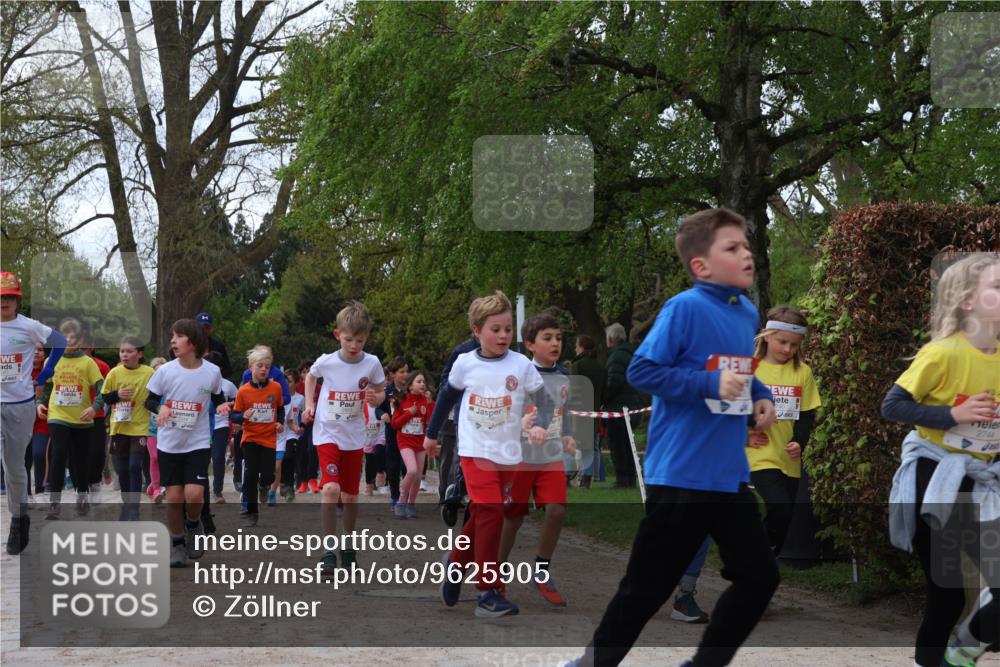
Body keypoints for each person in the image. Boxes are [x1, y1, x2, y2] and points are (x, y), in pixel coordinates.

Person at [566, 208, 778, 667]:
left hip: (728, 476)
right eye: (733, 247)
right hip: (681, 475)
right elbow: (643, 370)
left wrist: (760, 395)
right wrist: (708, 384)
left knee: (760, 578)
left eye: (746, 245)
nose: (747, 253)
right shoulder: (684, 308)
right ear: (701, 265)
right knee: (647, 588)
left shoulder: (745, 312)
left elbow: (737, 371)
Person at [882, 252, 999, 667]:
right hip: (935, 478)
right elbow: (892, 406)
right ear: (967, 301)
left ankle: (960, 654)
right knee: (946, 595)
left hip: (982, 480)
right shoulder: (943, 353)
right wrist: (953, 414)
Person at [425, 290, 553, 619]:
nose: (503, 335)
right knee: (492, 509)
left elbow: (545, 401)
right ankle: (487, 592)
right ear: (476, 331)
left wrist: (539, 424)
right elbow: (445, 397)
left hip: (507, 454)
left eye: (508, 329)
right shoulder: (465, 363)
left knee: (484, 514)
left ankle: (456, 564)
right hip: (474, 451)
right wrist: (431, 433)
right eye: (495, 329)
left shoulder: (521, 365)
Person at [498, 313, 576, 607]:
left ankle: (541, 571)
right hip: (521, 456)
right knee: (513, 516)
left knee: (556, 511)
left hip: (551, 456)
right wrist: (523, 428)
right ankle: (496, 573)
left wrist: (567, 435)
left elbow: (562, 411)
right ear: (530, 344)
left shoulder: (565, 376)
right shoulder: (519, 373)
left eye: (559, 338)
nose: (555, 343)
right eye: (548, 338)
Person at [302, 301, 385, 573]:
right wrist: (309, 404)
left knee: (350, 496)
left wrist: (376, 398)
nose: (353, 346)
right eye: (348, 340)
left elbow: (381, 391)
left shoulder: (372, 363)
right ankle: (328, 551)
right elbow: (310, 377)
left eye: (360, 341)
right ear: (338, 335)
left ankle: (348, 547)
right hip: (327, 432)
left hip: (354, 436)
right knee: (330, 489)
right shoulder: (327, 362)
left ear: (366, 338)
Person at [144, 319, 229, 568]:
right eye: (172, 336)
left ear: (193, 342)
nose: (173, 341)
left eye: (178, 336)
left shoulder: (211, 372)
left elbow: (218, 397)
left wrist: (222, 405)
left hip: (197, 441)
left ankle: (193, 524)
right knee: (174, 498)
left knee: (194, 493)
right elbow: (150, 400)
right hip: (169, 443)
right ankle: (178, 543)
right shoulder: (165, 371)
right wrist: (160, 409)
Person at [747, 306, 822, 555]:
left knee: (785, 515)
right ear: (767, 336)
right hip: (757, 454)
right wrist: (745, 432)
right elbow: (731, 407)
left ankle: (757, 556)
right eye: (782, 342)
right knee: (779, 507)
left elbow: (806, 414)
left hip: (788, 458)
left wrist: (799, 442)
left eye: (794, 344)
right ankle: (751, 555)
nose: (788, 349)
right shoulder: (750, 368)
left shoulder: (803, 373)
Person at [1, 271, 65, 554]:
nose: (4, 302)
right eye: (0, 297)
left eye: (9, 297)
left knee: (14, 466)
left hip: (20, 404)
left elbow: (60, 342)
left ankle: (19, 518)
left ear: (18, 301)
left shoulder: (28, 327)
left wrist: (46, 373)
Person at [37, 318, 103, 520]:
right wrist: (40, 402)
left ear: (81, 340)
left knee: (80, 460)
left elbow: (102, 390)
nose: (68, 340)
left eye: (73, 337)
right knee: (59, 453)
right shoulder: (52, 359)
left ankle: (82, 496)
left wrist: (94, 408)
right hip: (57, 415)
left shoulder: (88, 363)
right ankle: (54, 503)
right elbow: (46, 385)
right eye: (64, 337)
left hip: (82, 418)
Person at [101, 336, 155, 521]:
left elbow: (157, 394)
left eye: (129, 351)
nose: (124, 354)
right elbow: (105, 398)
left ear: (139, 354)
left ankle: (134, 509)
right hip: (119, 427)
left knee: (134, 466)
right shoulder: (114, 373)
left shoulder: (149, 373)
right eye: (122, 351)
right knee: (123, 470)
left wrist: (152, 404)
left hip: (140, 427)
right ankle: (127, 505)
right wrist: (117, 394)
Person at [230, 346, 284, 527]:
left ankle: (264, 486)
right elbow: (234, 415)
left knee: (268, 475)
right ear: (250, 367)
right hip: (250, 438)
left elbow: (280, 408)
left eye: (267, 367)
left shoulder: (275, 388)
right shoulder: (243, 391)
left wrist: (280, 422)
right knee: (251, 473)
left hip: (268, 438)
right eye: (259, 366)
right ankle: (251, 512)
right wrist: (242, 416)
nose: (263, 369)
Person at [436, 336, 480, 502]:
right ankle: (447, 492)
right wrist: (454, 397)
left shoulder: (502, 353)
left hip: (483, 416)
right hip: (456, 413)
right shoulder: (462, 351)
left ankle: (465, 492)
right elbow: (445, 381)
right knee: (451, 456)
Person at [603, 322, 642, 487]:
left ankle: (622, 478)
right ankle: (630, 477)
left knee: (617, 444)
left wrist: (603, 398)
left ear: (611, 339)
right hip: (634, 405)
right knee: (628, 445)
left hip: (618, 407)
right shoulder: (634, 354)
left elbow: (614, 382)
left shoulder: (616, 357)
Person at [390, 370, 433, 518]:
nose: (423, 384)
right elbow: (395, 424)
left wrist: (429, 404)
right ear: (410, 386)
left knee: (418, 476)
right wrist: (409, 413)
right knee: (412, 470)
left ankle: (411, 504)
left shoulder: (424, 400)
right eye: (419, 381)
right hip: (405, 441)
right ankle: (401, 502)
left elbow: (430, 421)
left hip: (420, 442)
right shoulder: (401, 400)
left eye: (423, 382)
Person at [570, 334, 606, 488]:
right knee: (590, 446)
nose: (575, 349)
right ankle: (587, 478)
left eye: (576, 346)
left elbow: (573, 389)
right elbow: (604, 391)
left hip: (579, 411)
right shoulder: (601, 366)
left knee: (575, 444)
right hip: (595, 410)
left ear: (582, 347)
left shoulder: (578, 365)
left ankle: (570, 476)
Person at [204, 351, 236, 504]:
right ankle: (202, 490)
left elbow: (237, 403)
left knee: (217, 458)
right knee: (202, 459)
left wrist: (235, 418)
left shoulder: (228, 385)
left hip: (220, 425)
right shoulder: (199, 383)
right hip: (202, 426)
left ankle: (217, 491)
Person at [379, 356, 408, 512]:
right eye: (401, 372)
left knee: (407, 467)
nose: (405, 375)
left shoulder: (411, 389)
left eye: (406, 371)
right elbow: (378, 408)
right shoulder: (387, 391)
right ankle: (395, 497)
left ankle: (407, 497)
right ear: (393, 374)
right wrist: (382, 415)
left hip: (409, 434)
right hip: (392, 433)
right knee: (393, 466)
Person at [145, 357, 166, 502]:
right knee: (154, 458)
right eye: (156, 372)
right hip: (152, 430)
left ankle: (155, 484)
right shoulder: (148, 390)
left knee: (165, 459)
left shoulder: (172, 388)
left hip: (169, 430)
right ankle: (157, 489)